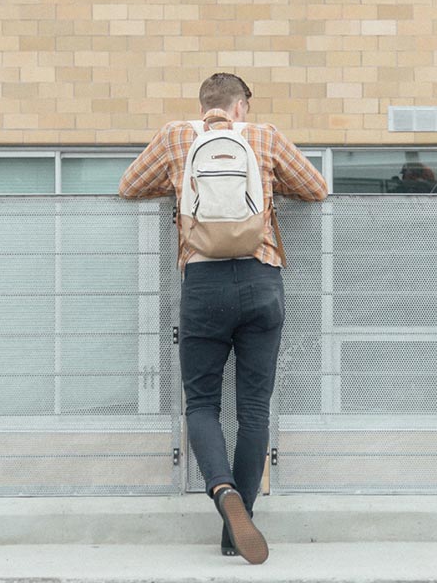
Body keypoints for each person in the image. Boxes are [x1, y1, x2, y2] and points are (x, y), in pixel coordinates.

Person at [119, 72, 327, 564]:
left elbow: (129, 187)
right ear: (240, 107)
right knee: (253, 409)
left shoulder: (176, 137)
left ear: (203, 106)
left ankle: (222, 491)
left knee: (201, 404)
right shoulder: (264, 137)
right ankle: (240, 524)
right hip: (261, 280)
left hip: (203, 283)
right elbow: (316, 189)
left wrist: (177, 189)